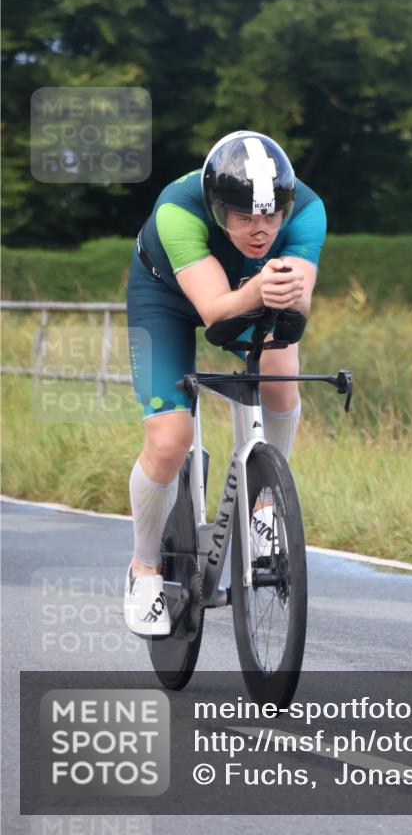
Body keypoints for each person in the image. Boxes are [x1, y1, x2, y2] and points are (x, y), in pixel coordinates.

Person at [123, 130, 326, 635]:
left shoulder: (307, 210)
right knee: (170, 442)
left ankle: (264, 506)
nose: (261, 230)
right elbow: (214, 312)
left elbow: (297, 304)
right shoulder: (178, 211)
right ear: (217, 211)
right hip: (166, 297)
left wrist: (285, 296)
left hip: (248, 289)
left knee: (280, 381)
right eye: (243, 218)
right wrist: (259, 287)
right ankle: (143, 569)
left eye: (271, 217)